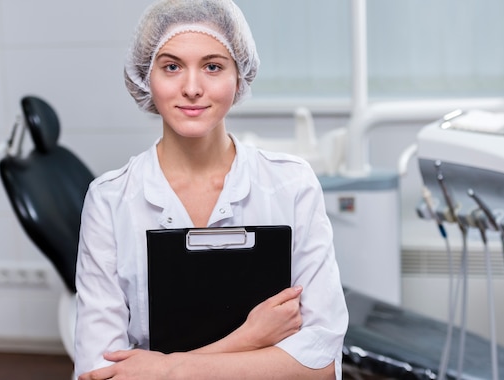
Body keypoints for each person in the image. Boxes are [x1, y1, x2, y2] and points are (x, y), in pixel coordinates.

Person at [73, 0, 349, 379]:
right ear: (145, 76)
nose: (191, 88)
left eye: (213, 67)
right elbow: (99, 373)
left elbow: (320, 364)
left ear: (239, 76)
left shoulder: (292, 184)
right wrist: (250, 338)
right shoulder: (109, 200)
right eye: (171, 66)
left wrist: (165, 369)